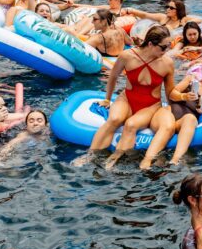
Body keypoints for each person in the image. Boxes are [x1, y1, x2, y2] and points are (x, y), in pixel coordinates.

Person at [74, 25, 175, 169]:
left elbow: (170, 91)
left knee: (131, 124)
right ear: (151, 44)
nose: (166, 51)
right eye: (164, 47)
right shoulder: (127, 56)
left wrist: (174, 106)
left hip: (150, 105)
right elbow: (113, 76)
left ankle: (114, 159)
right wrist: (108, 99)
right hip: (127, 98)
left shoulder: (167, 63)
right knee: (114, 119)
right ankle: (89, 155)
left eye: (168, 46)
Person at [143, 57, 202, 169]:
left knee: (190, 118)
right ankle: (146, 162)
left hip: (182, 123)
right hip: (167, 113)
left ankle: (175, 161)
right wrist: (184, 96)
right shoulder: (192, 79)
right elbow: (171, 95)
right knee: (168, 127)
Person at [127, 0, 200, 32]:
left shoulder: (184, 19)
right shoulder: (163, 17)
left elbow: (199, 20)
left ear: (178, 10)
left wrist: (184, 23)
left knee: (168, 27)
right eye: (167, 7)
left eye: (171, 8)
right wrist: (131, 10)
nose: (168, 9)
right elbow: (146, 15)